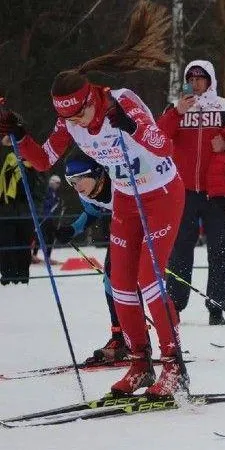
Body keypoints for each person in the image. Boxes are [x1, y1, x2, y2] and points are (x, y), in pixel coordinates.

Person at [0, 1, 185, 397]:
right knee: (120, 283)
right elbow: (44, 158)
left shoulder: (123, 101)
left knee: (148, 280)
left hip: (160, 193)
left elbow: (164, 146)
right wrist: (20, 133)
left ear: (90, 100)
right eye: (66, 118)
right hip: (125, 199)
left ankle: (174, 365)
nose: (74, 124)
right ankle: (140, 363)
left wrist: (131, 125)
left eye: (78, 115)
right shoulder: (70, 119)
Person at [157, 59, 225, 326]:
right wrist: (175, 112)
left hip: (218, 193)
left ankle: (216, 306)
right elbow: (156, 138)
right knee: (180, 249)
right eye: (190, 78)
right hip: (185, 191)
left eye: (200, 78)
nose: (195, 83)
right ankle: (175, 305)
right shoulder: (176, 108)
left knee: (220, 250)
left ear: (210, 80)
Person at [55, 151, 131, 364]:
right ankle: (120, 338)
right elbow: (91, 212)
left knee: (137, 282)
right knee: (110, 280)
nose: (76, 186)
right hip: (122, 229)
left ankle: (152, 338)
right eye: (71, 181)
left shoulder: (120, 183)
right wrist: (71, 230)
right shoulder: (86, 192)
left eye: (80, 179)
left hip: (147, 226)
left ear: (97, 173)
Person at [0, 136, 34, 285]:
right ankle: (10, 275)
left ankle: (19, 275)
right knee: (9, 243)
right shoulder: (7, 157)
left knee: (20, 243)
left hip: (22, 210)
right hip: (8, 209)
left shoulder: (30, 160)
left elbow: (37, 187)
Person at [32, 174, 63, 264]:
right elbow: (43, 203)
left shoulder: (55, 193)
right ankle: (34, 254)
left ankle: (48, 256)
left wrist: (57, 202)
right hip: (42, 218)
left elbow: (54, 203)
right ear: (52, 182)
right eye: (56, 183)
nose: (58, 185)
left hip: (49, 218)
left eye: (59, 183)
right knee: (39, 236)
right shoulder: (46, 191)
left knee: (51, 237)